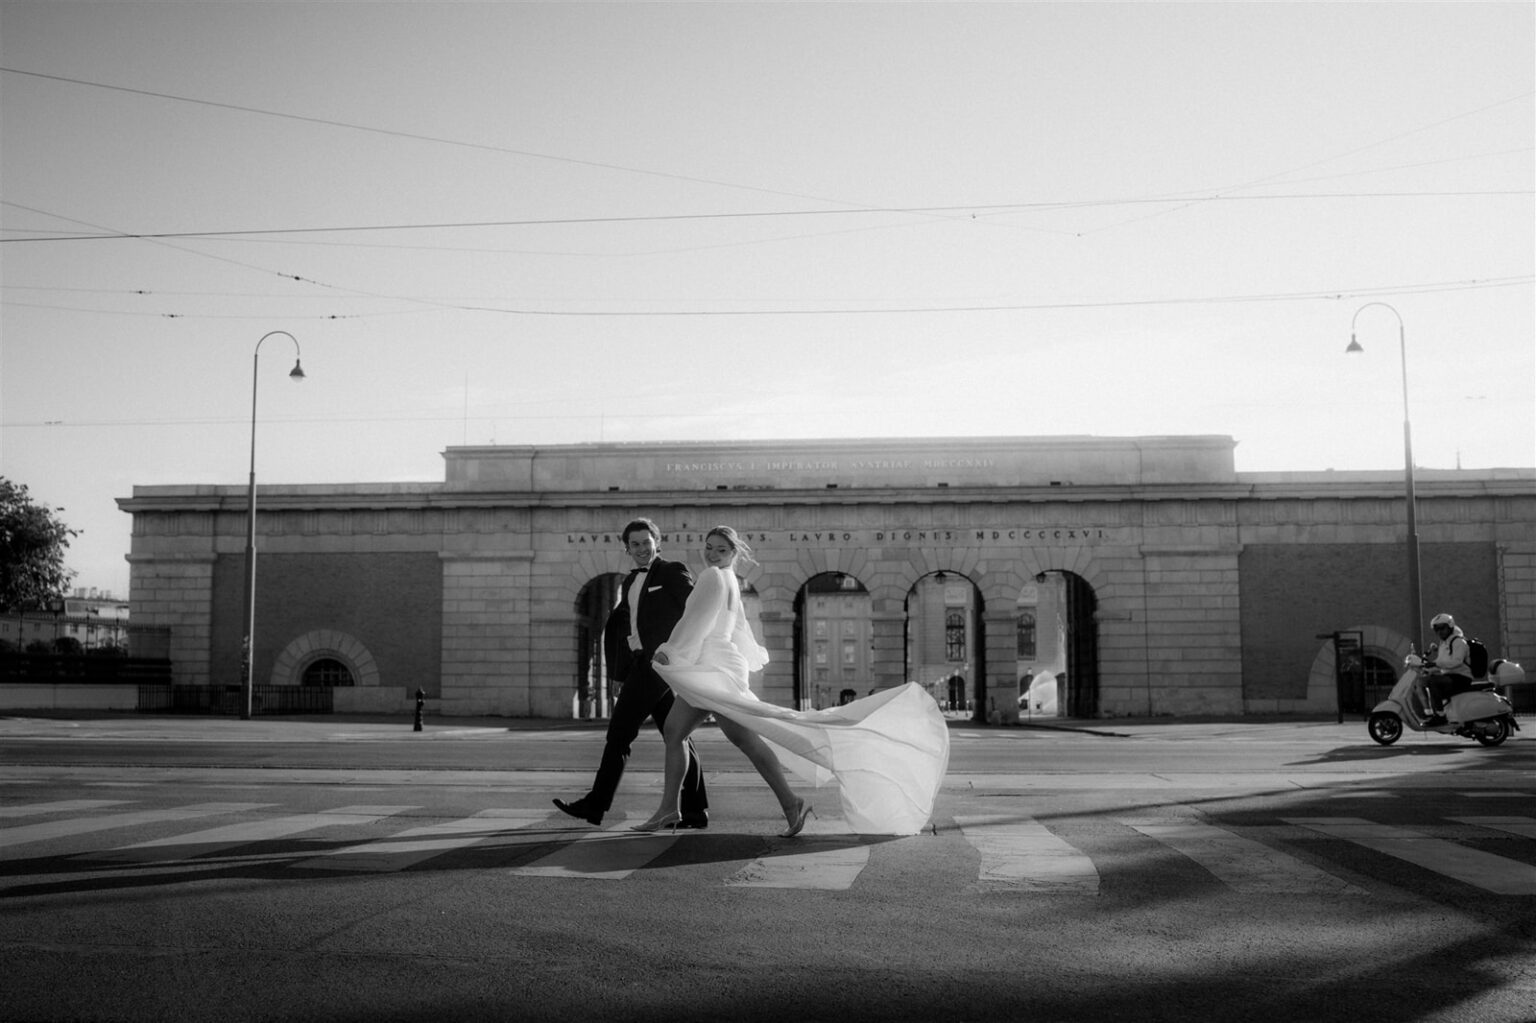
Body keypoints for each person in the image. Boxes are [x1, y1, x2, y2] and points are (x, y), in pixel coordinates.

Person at [635, 525, 950, 837]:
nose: (712, 554)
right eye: (709, 547)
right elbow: (740, 628)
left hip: (713, 668)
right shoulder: (731, 579)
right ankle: (674, 808)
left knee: (726, 737)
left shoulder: (711, 577)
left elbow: (696, 621)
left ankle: (786, 803)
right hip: (723, 665)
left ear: (733, 552)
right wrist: (749, 657)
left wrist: (672, 651)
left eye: (721, 549)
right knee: (687, 733)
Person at [553, 519, 709, 828]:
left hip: (658, 666)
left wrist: (682, 653)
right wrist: (619, 672)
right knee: (677, 736)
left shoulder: (671, 571)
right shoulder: (628, 583)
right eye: (634, 544)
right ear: (627, 548)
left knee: (619, 734)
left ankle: (595, 804)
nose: (641, 548)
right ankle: (695, 809)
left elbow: (697, 611)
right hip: (641, 665)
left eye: (645, 542)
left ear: (657, 542)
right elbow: (626, 630)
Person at [1422, 612, 1474, 716]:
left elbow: (1456, 662)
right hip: (1450, 677)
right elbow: (1442, 663)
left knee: (1433, 681)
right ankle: (1430, 712)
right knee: (1424, 680)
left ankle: (1440, 715)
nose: (1440, 632)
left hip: (1461, 678)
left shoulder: (1458, 642)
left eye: (1442, 628)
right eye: (1437, 629)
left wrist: (1435, 663)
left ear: (1450, 626)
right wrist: (1428, 669)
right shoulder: (1444, 643)